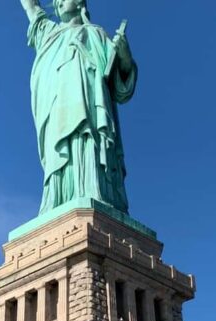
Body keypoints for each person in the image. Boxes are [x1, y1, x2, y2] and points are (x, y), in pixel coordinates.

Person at [19, 0, 137, 215]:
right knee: (60, 154)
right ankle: (59, 198)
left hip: (91, 113)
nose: (61, 1)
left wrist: (125, 57)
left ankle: (94, 192)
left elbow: (121, 90)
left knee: (88, 144)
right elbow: (31, 7)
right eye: (57, 1)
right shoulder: (48, 33)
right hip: (57, 112)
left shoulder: (97, 34)